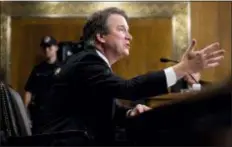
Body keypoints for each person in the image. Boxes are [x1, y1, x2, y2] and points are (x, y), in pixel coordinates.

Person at [36, 7, 225, 145]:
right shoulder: (87, 62)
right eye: (121, 30)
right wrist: (182, 69)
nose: (130, 37)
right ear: (101, 36)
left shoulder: (92, 62)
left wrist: (128, 112)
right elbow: (129, 88)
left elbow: (101, 106)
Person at [23, 36, 61, 132]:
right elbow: (29, 91)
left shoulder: (64, 68)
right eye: (44, 47)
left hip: (57, 114)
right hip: (39, 114)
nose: (46, 50)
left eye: (49, 47)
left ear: (56, 48)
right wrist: (24, 112)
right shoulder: (38, 69)